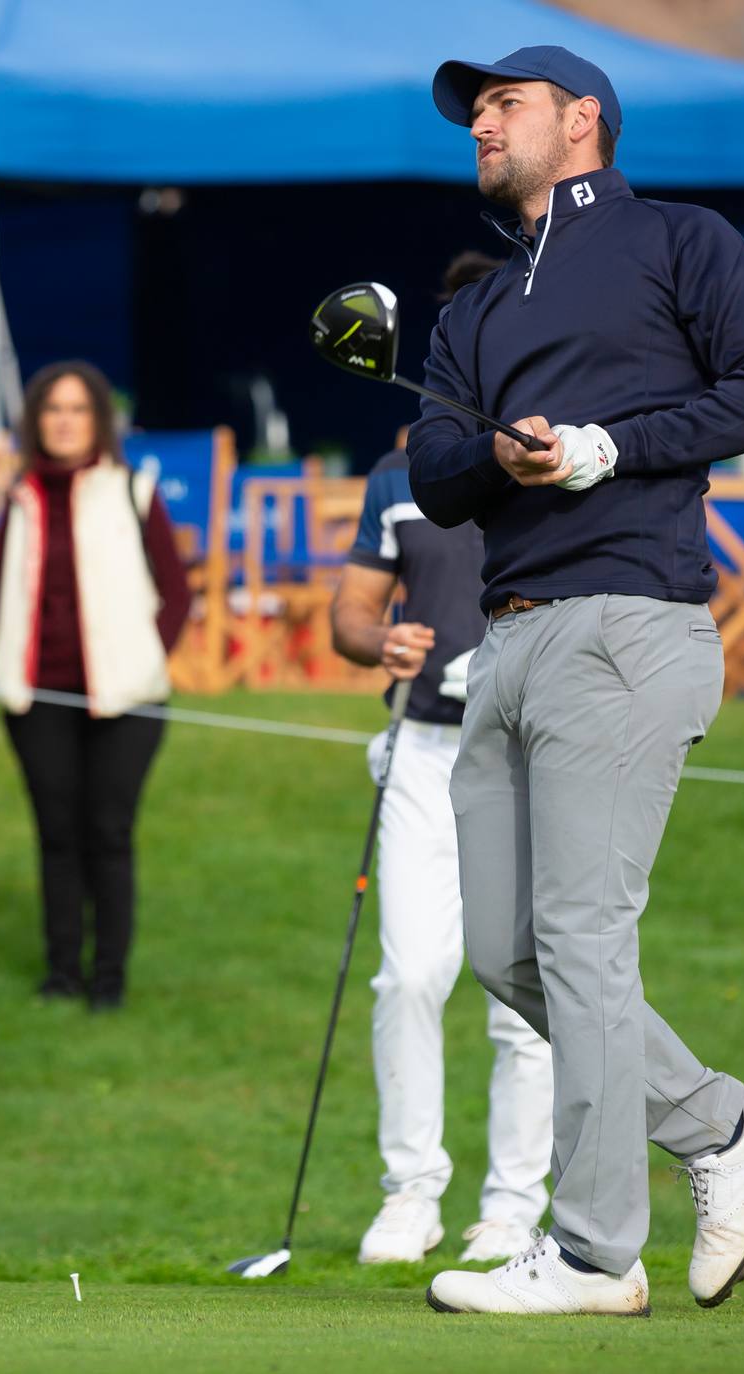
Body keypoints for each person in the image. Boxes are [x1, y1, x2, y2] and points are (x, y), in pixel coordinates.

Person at [405, 46, 744, 1315]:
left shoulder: (678, 241)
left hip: (628, 620)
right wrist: (500, 453)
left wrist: (606, 446)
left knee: (582, 940)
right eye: (474, 108)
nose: (481, 120)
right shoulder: (475, 309)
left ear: (580, 120)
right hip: (510, 634)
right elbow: (430, 468)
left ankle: (593, 1253)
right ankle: (719, 1122)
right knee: (506, 950)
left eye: (502, 102)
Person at [332, 255, 551, 1267]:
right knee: (410, 976)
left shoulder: (555, 452)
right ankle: (410, 1191)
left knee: (523, 994)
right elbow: (350, 612)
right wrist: (380, 643)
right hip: (421, 749)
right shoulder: (401, 471)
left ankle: (513, 1205)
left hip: (532, 750)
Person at [0, 361, 192, 1011]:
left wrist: (142, 657)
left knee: (108, 830)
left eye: (77, 409)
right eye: (52, 409)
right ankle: (61, 971)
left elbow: (176, 592)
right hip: (35, 693)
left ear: (99, 419)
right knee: (55, 831)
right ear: (35, 421)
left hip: (127, 697)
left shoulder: (132, 489)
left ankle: (109, 978)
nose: (64, 421)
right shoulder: (19, 495)